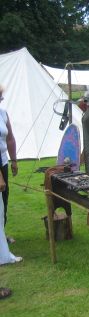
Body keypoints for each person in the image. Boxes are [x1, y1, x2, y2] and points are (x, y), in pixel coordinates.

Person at [0, 86, 18, 241]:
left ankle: (1, 234)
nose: (2, 99)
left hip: (3, 162)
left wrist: (14, 160)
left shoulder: (3, 114)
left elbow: (10, 138)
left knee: (4, 197)